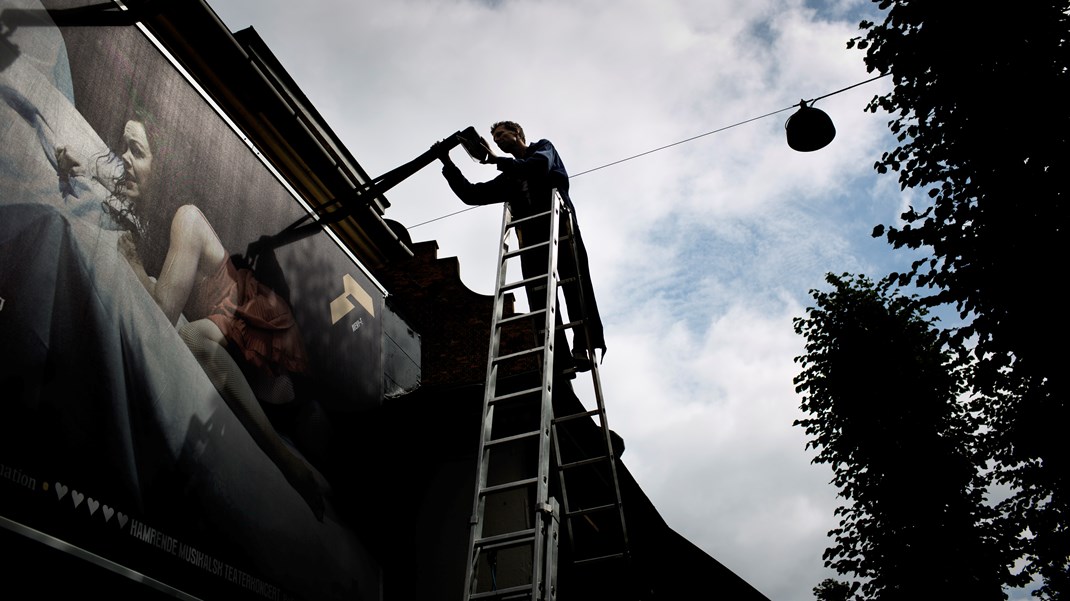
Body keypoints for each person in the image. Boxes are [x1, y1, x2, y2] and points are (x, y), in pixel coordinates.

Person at [107, 115, 327, 521]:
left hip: (270, 366)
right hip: (255, 371)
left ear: (163, 164)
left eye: (136, 151)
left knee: (192, 339)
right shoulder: (155, 218)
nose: (123, 160)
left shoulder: (186, 217)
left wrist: (137, 269)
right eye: (121, 147)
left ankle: (287, 462)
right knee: (196, 334)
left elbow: (158, 316)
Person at [436, 120, 606, 371]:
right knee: (541, 296)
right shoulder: (510, 178)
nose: (498, 140)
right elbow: (472, 194)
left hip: (561, 227)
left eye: (501, 134)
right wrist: (447, 164)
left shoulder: (543, 148)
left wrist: (495, 160)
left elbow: (538, 168)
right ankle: (559, 360)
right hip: (531, 239)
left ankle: (583, 346)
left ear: (517, 133)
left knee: (575, 283)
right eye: (494, 139)